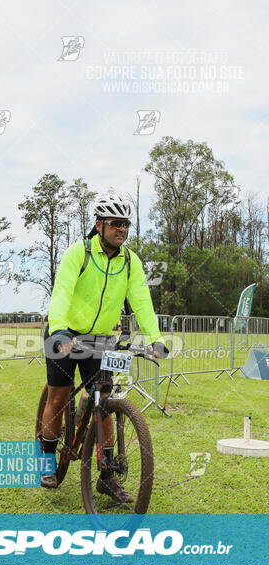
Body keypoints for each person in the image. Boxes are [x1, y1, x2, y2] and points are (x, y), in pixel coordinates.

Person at [41, 192, 167, 501]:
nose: (121, 229)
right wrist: (58, 330)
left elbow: (141, 302)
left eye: (126, 224)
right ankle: (46, 459)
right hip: (65, 332)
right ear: (99, 225)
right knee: (57, 397)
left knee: (104, 402)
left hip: (100, 339)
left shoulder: (130, 262)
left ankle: (107, 475)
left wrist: (156, 339)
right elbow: (61, 293)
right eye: (115, 224)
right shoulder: (78, 254)